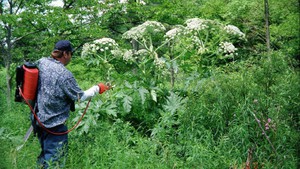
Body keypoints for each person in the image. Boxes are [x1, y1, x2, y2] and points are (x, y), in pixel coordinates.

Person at [33, 40, 110, 168]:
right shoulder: (65, 75)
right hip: (55, 125)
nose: (71, 57)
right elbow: (80, 96)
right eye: (71, 54)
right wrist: (98, 88)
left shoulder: (42, 62)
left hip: (38, 118)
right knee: (55, 162)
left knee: (45, 155)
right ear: (66, 54)